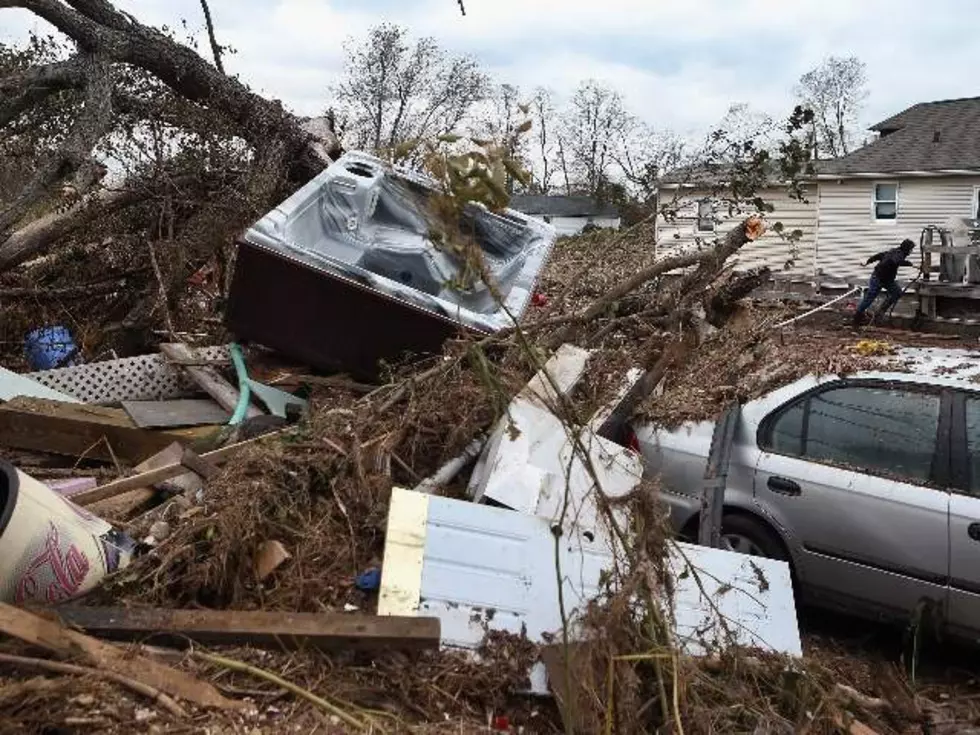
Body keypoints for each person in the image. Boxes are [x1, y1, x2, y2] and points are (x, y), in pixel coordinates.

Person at [853, 239, 918, 325]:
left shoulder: (893, 251)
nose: (911, 251)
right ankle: (857, 318)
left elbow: (879, 256)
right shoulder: (898, 254)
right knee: (870, 297)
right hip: (877, 278)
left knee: (897, 292)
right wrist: (911, 264)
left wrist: (867, 262)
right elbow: (896, 261)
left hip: (887, 280)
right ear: (906, 249)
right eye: (911, 249)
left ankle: (880, 312)